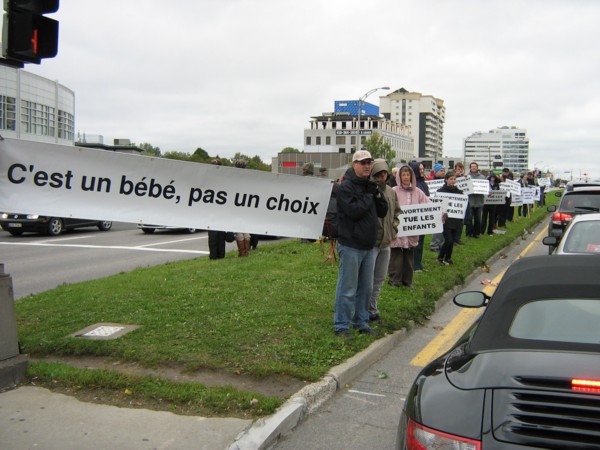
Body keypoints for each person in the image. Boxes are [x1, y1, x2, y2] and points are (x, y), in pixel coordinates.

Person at [333, 150, 388, 337]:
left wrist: (378, 195)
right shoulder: (345, 187)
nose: (366, 166)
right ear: (354, 164)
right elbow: (353, 210)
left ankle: (361, 322)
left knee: (366, 288)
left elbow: (383, 211)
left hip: (368, 245)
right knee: (347, 288)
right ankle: (341, 325)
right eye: (362, 162)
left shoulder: (371, 186)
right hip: (350, 245)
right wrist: (369, 196)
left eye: (369, 162)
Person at [368, 159, 401, 322]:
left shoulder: (391, 192)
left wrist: (394, 228)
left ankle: (373, 309)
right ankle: (364, 309)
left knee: (380, 278)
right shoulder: (369, 190)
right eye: (378, 174)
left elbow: (397, 212)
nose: (382, 177)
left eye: (384, 174)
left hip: (386, 242)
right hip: (372, 243)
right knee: (368, 279)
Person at [388, 165, 430, 288]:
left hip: (412, 230)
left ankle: (407, 280)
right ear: (399, 177)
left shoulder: (418, 192)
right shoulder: (394, 191)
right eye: (403, 175)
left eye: (408, 175)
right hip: (397, 229)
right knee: (396, 256)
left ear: (412, 176)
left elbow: (428, 205)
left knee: (409, 256)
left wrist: (440, 213)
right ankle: (394, 279)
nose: (406, 177)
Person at [437, 170, 464, 265]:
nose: (453, 181)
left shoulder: (459, 192)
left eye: (454, 179)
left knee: (452, 241)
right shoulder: (441, 191)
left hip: (455, 220)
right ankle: (440, 257)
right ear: (446, 180)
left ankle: (448, 258)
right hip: (446, 220)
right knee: (448, 240)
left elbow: (462, 205)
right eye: (451, 179)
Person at [408, 161, 430, 271]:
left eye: (423, 169)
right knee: (415, 242)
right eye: (420, 169)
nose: (422, 171)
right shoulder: (412, 185)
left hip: (423, 217)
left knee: (420, 242)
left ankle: (418, 263)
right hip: (415, 217)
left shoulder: (423, 183)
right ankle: (414, 265)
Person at [207, 159, 227, 260]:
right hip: (212, 212)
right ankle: (214, 256)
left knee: (220, 236)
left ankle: (220, 255)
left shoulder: (223, 178)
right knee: (214, 236)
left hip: (220, 210)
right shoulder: (208, 178)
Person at [233, 159, 252, 256]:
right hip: (247, 206)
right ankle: (246, 252)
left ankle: (242, 253)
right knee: (246, 232)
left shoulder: (233, 177)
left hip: (237, 206)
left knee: (239, 232)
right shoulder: (249, 177)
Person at [464, 162, 485, 238]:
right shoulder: (467, 176)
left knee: (478, 219)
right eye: (472, 166)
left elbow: (485, 187)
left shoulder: (482, 177)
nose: (473, 167)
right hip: (470, 200)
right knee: (469, 218)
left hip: (479, 201)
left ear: (477, 167)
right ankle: (468, 234)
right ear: (470, 168)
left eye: (475, 166)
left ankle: (476, 233)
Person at [429, 163, 445, 252]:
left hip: (443, 206)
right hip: (435, 206)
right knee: (437, 227)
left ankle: (439, 244)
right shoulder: (431, 183)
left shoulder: (445, 181)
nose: (443, 172)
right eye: (441, 171)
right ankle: (434, 245)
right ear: (435, 172)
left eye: (443, 171)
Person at [453, 162, 466, 245]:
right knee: (453, 221)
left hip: (461, 201)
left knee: (460, 221)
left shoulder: (464, 177)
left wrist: (465, 177)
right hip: (454, 200)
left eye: (460, 169)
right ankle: (453, 239)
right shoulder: (452, 176)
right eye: (458, 169)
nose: (459, 170)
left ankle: (458, 238)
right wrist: (456, 176)